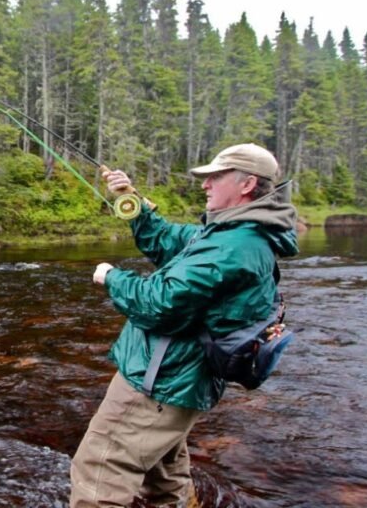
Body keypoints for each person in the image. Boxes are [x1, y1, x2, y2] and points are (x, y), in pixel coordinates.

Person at [69, 143, 299, 508]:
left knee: (99, 475)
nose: (205, 185)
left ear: (246, 184)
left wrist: (112, 278)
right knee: (166, 479)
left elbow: (158, 305)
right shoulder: (234, 233)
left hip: (158, 382)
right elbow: (166, 240)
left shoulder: (234, 246)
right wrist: (132, 201)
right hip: (181, 385)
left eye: (215, 177)